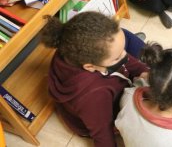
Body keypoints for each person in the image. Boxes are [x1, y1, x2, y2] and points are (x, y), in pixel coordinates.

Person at [43, 11, 148, 147]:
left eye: (122, 50)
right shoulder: (94, 96)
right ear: (90, 67)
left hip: (101, 87)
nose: (125, 56)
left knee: (126, 37)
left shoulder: (69, 49)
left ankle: (120, 47)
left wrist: (143, 71)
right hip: (97, 115)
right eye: (117, 57)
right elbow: (102, 134)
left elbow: (126, 60)